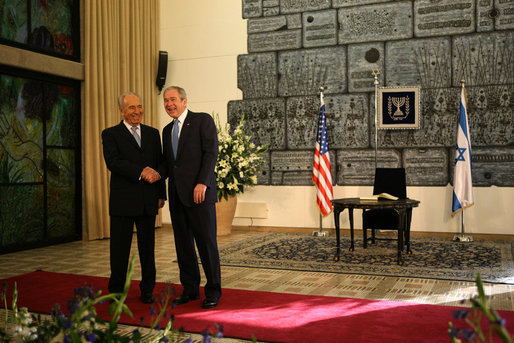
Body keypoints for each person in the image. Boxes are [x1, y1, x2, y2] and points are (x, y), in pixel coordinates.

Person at [102, 92, 166, 304]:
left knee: (147, 250)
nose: (137, 111)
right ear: (121, 110)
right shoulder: (110, 134)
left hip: (148, 200)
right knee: (119, 250)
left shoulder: (153, 133)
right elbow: (113, 162)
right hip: (123, 202)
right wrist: (141, 171)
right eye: (131, 108)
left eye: (139, 106)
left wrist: (160, 194)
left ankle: (148, 290)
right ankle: (116, 291)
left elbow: (159, 164)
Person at [161, 86, 221, 309]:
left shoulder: (201, 121)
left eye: (173, 99)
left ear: (185, 101)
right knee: (183, 246)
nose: (169, 104)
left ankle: (213, 291)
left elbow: (211, 152)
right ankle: (190, 289)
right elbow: (168, 165)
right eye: (166, 100)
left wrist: (203, 182)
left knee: (206, 244)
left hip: (200, 195)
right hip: (177, 197)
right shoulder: (167, 131)